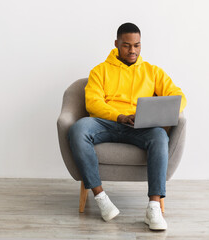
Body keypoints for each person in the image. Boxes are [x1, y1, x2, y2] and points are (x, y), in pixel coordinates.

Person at [68, 22, 187, 230]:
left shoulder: (153, 72)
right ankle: (101, 198)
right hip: (107, 122)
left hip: (140, 127)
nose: (132, 50)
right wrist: (119, 116)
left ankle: (153, 207)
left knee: (160, 136)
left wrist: (155, 114)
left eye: (137, 45)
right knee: (78, 129)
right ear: (116, 44)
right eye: (127, 45)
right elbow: (93, 103)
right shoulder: (100, 70)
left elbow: (179, 97)